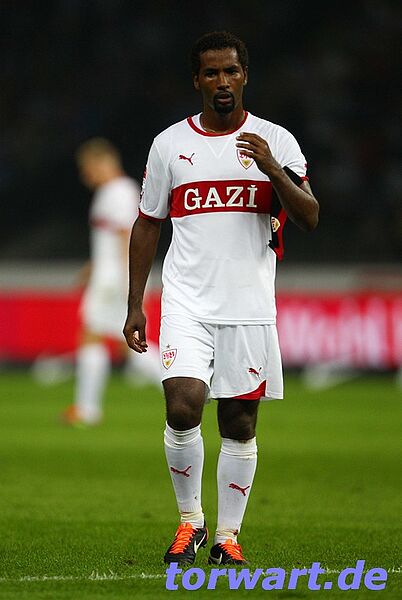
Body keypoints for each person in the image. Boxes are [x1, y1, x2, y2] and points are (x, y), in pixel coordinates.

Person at [123, 31, 319, 565]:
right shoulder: (169, 144)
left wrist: (272, 169)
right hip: (186, 301)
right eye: (211, 72)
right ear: (198, 81)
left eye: (231, 70)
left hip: (248, 306)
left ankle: (228, 537)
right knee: (182, 405)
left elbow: (309, 216)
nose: (222, 81)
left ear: (245, 76)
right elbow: (147, 222)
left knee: (239, 424)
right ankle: (190, 522)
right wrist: (135, 302)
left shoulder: (276, 141)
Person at [62, 137, 160, 426]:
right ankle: (184, 388)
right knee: (127, 344)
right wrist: (91, 269)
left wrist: (129, 283)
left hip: (114, 278)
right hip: (110, 275)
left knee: (95, 334)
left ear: (102, 162)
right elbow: (108, 239)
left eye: (88, 168)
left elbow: (127, 238)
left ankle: (87, 409)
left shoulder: (118, 192)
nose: (85, 176)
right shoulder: (114, 192)